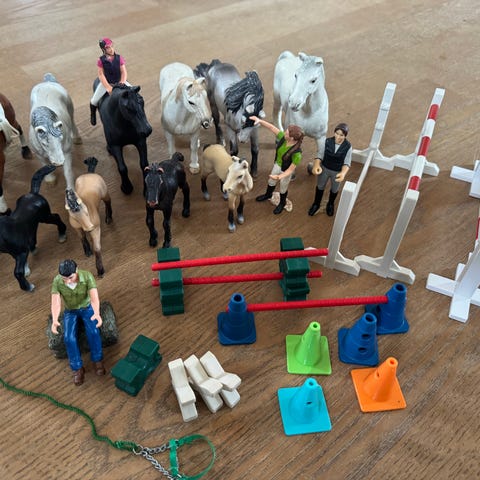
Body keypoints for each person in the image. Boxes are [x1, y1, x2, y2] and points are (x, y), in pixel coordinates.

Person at [51, 259, 105, 386]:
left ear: (76, 270)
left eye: (70, 277)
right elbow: (56, 302)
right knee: (68, 337)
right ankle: (77, 368)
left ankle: (97, 360)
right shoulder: (57, 281)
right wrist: (55, 319)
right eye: (64, 278)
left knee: (93, 331)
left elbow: (94, 297)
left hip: (87, 308)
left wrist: (96, 313)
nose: (67, 281)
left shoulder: (87, 276)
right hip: (70, 311)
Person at [250, 115, 304, 214]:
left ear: (292, 138)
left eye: (286, 133)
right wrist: (259, 121)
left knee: (283, 187)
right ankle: (268, 194)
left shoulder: (297, 154)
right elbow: (272, 127)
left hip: (285, 171)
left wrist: (279, 177)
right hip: (277, 165)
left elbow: (290, 170)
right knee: (271, 181)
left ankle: (282, 202)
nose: (284, 133)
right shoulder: (284, 138)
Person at [307, 123, 352, 217]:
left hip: (337, 171)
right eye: (337, 133)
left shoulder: (348, 146)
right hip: (325, 168)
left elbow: (347, 162)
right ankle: (316, 203)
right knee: (320, 186)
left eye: (341, 135)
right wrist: (316, 165)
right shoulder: (327, 141)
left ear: (345, 136)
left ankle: (330, 204)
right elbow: (320, 154)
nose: (338, 137)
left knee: (335, 188)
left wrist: (343, 173)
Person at [90, 37, 129, 126]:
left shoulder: (119, 58)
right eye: (108, 48)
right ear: (103, 49)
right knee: (94, 101)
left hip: (119, 81)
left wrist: (122, 82)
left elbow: (123, 72)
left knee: (134, 94)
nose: (111, 49)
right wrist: (107, 87)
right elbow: (101, 75)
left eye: (111, 46)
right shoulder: (101, 61)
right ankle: (93, 115)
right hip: (108, 83)